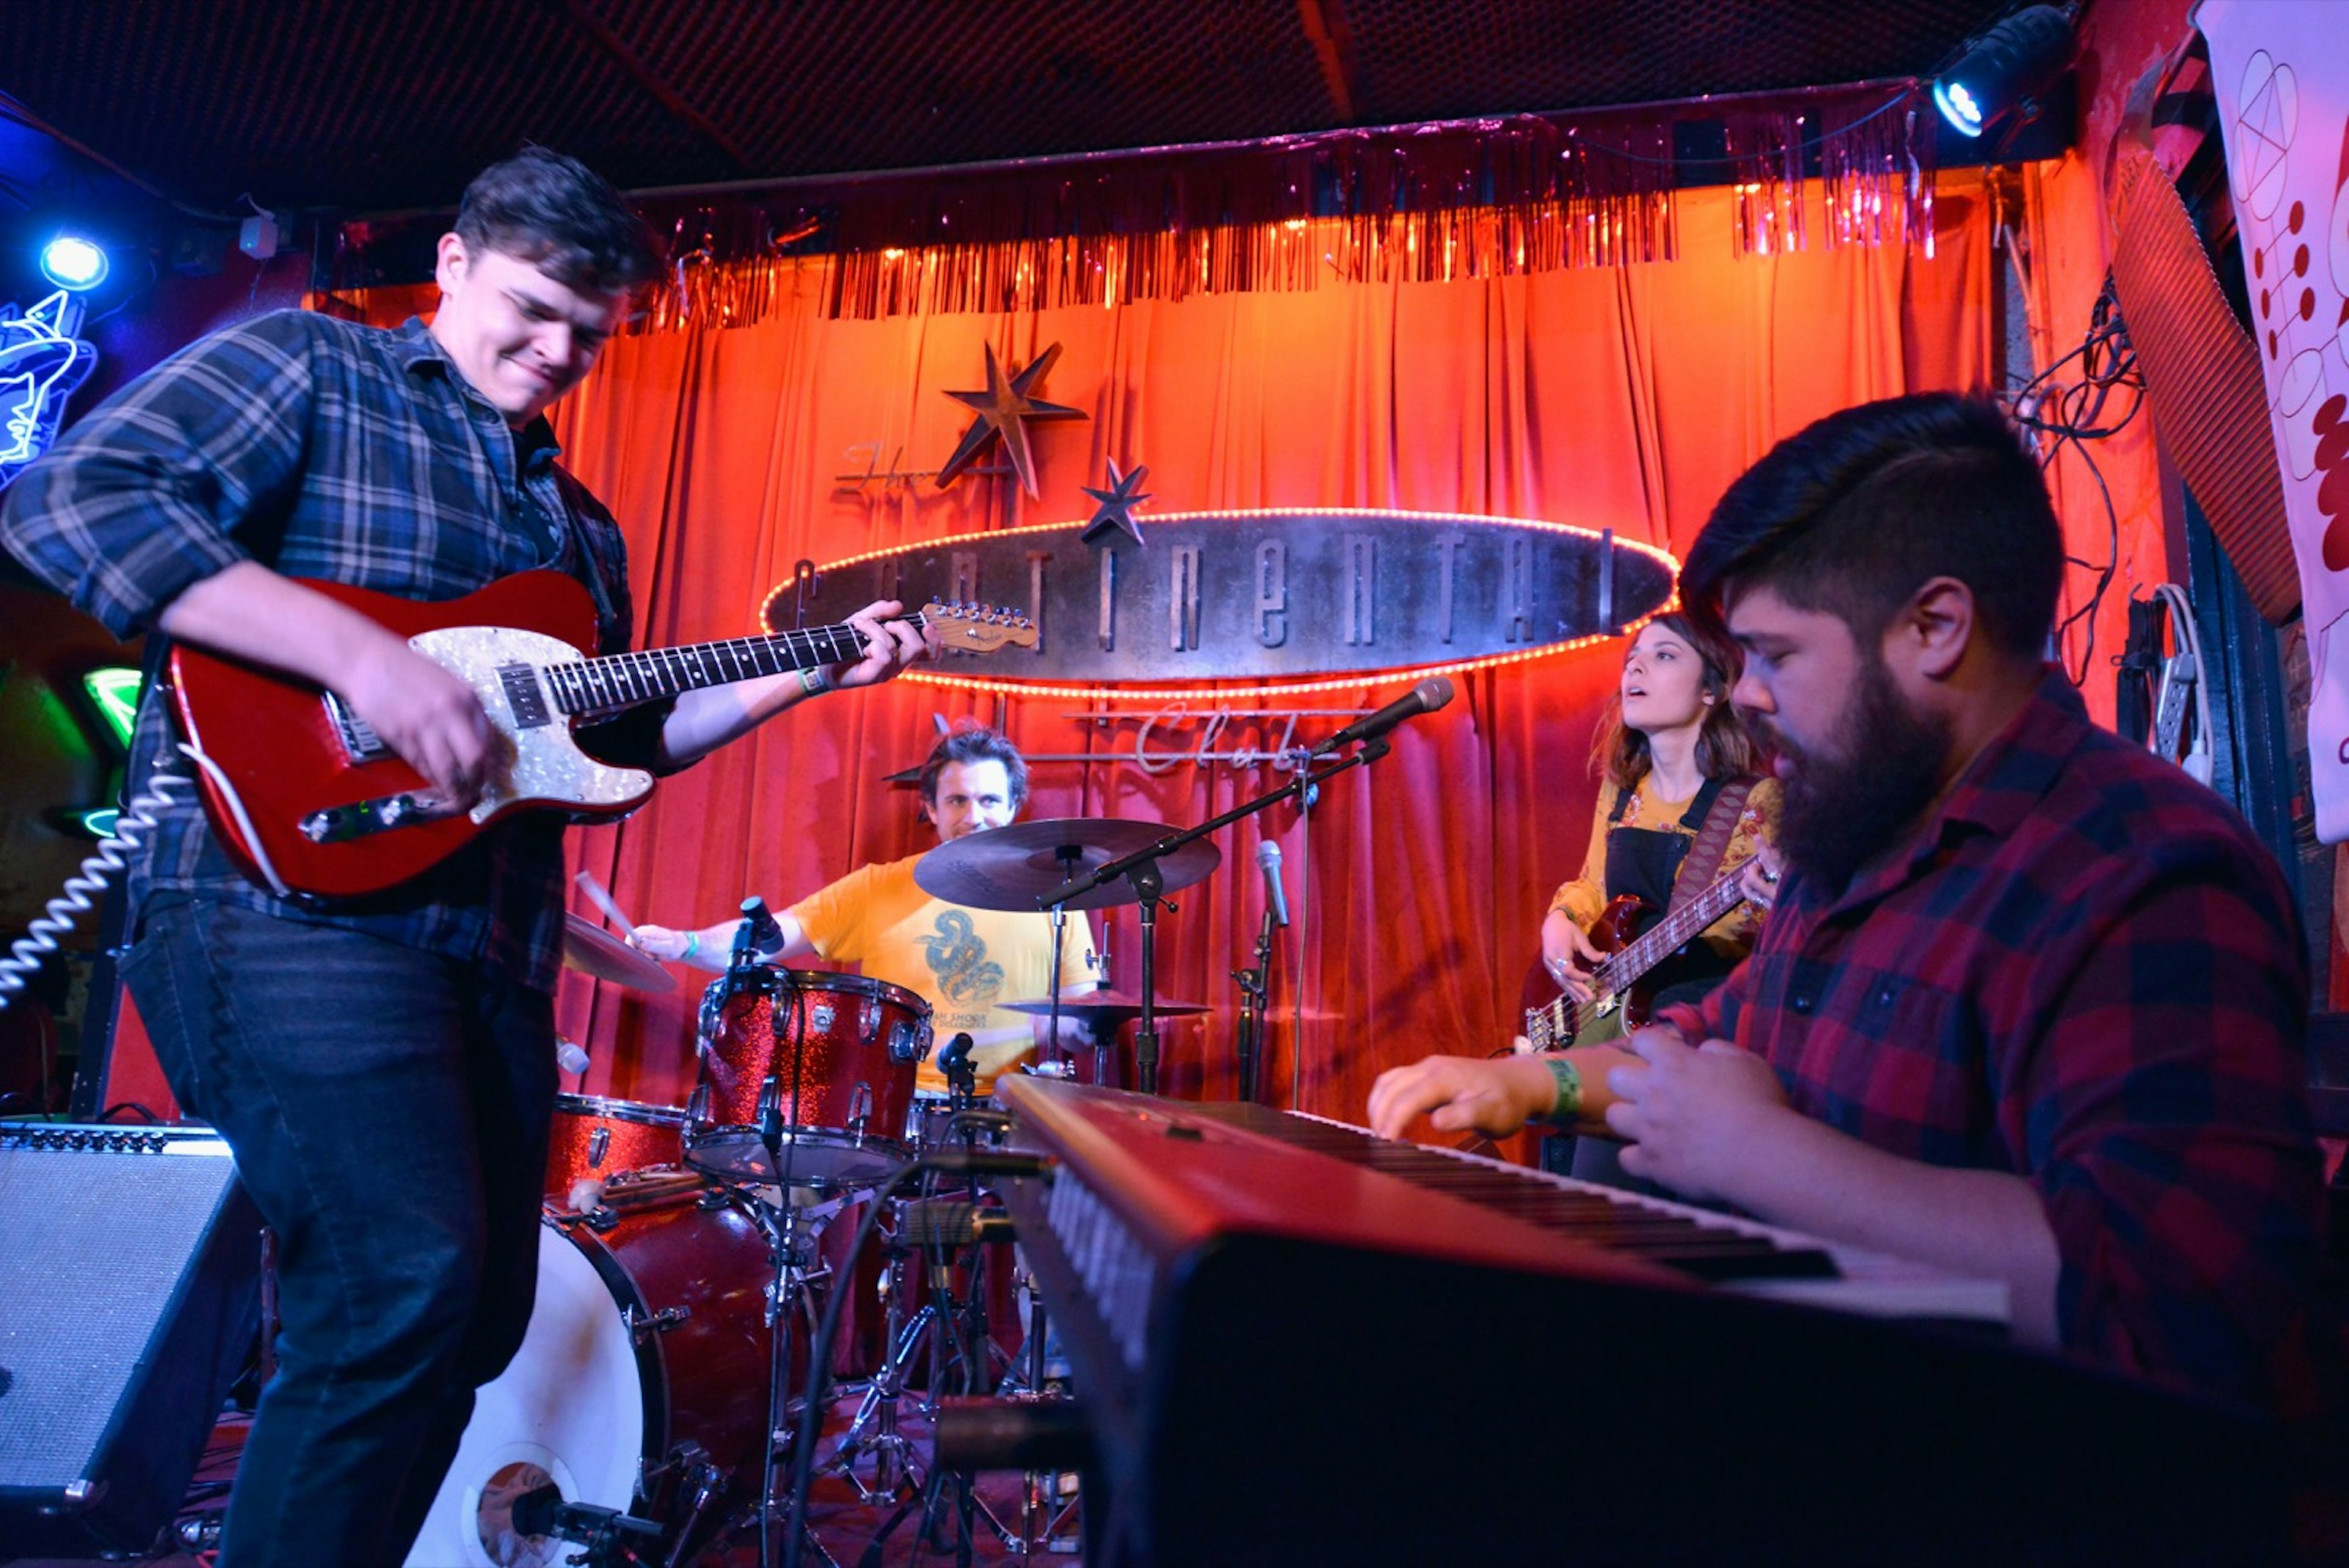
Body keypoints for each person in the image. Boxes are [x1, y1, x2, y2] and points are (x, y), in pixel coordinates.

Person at [0, 148, 931, 1567]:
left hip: (483, 945)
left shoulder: (580, 529)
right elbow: (74, 501)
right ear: (451, 264)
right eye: (531, 309)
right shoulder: (314, 369)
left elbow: (613, 745)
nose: (556, 353)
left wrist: (806, 673)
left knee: (471, 1309)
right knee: (397, 1285)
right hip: (278, 898)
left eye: (589, 335)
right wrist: (362, 661)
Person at [1369, 392, 2337, 1423]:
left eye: (1777, 656)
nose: (1745, 695)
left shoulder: (2142, 874)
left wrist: (1758, 1154)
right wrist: (1524, 1082)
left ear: (1935, 626)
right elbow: (1710, 1034)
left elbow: (2168, 1313)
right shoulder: (1855, 835)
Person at [632, 725, 1100, 1098]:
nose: (974, 817)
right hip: (892, 1109)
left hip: (1010, 1112)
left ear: (1015, 806)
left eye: (989, 800)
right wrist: (684, 943)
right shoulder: (880, 886)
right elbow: (770, 939)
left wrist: (1067, 1024)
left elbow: (1087, 1019)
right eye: (957, 800)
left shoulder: (1057, 896)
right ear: (931, 809)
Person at [1532, 612, 1777, 1181]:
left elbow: (1773, 926)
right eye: (1633, 657)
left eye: (1665, 655)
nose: (1636, 666)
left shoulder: (1759, 798)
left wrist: (1770, 903)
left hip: (1702, 1033)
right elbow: (1594, 885)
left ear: (1713, 690)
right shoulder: (1624, 789)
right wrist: (1561, 919)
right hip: (1617, 1017)